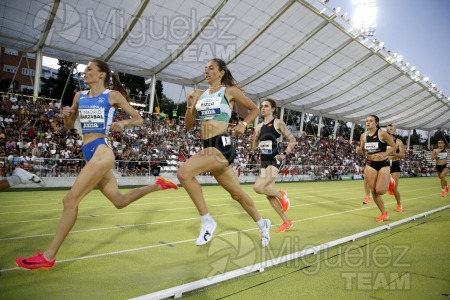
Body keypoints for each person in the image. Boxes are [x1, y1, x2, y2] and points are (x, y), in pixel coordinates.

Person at [16, 59, 178, 270]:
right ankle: (158, 184)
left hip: (102, 151)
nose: (85, 72)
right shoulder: (79, 96)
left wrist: (123, 123)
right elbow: (68, 126)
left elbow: (139, 119)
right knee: (119, 201)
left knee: (70, 200)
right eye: (85, 69)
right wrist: (66, 116)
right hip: (88, 152)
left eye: (90, 69)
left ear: (102, 75)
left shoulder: (111, 95)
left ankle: (49, 256)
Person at [177, 58, 271, 247]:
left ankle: (207, 220)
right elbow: (188, 126)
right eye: (205, 68)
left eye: (211, 68)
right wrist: (189, 105)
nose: (207, 71)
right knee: (237, 195)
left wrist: (243, 124)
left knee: (184, 173)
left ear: (221, 73)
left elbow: (253, 110)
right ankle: (263, 224)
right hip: (207, 146)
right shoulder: (198, 94)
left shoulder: (229, 91)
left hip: (221, 145)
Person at [251, 99, 296, 233]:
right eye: (261, 106)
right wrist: (252, 141)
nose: (263, 108)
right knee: (269, 195)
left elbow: (292, 140)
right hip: (264, 161)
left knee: (258, 187)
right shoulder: (258, 127)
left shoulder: (278, 123)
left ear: (273, 109)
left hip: (275, 160)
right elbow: (253, 148)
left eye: (266, 106)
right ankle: (287, 221)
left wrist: (285, 154)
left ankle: (282, 195)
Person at [355, 115, 397, 222]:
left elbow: (394, 146)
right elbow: (363, 153)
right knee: (374, 191)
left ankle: (389, 180)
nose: (368, 123)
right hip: (370, 163)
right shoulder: (363, 136)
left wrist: (384, 155)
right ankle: (384, 213)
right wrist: (359, 150)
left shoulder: (382, 134)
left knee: (380, 190)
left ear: (376, 123)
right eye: (367, 121)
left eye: (371, 121)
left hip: (383, 163)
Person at [386, 124, 405, 211]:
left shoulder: (399, 142)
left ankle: (399, 204)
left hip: (394, 164)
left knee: (395, 188)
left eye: (391, 129)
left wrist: (394, 153)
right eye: (387, 129)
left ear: (394, 131)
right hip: (384, 164)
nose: (389, 130)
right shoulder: (383, 141)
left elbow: (402, 155)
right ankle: (389, 187)